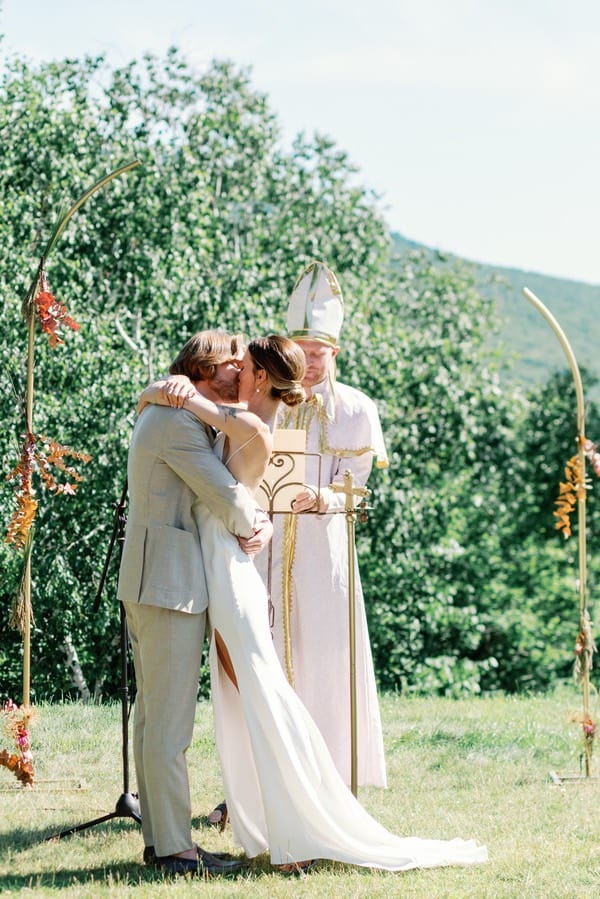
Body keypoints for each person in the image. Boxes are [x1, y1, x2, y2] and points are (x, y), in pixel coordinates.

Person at [140, 333, 487, 873]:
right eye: (230, 363)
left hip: (229, 576)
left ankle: (294, 832)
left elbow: (231, 492)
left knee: (264, 695)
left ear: (257, 378)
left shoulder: (249, 424)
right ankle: (266, 824)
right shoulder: (233, 414)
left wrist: (172, 396)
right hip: (214, 570)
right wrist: (160, 394)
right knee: (248, 700)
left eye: (244, 365)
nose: (234, 370)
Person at [117, 329, 273, 877]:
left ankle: (163, 842)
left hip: (158, 581)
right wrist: (259, 525)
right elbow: (223, 492)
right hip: (168, 585)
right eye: (235, 364)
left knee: (154, 718)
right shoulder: (178, 421)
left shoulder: (179, 410)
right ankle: (179, 850)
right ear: (207, 368)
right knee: (169, 724)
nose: (244, 374)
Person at [254, 260, 388, 791]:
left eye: (318, 354)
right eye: (301, 353)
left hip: (321, 557)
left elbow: (357, 488)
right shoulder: (267, 405)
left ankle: (331, 779)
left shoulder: (356, 409)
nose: (309, 364)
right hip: (264, 552)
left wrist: (323, 497)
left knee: (325, 662)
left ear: (335, 352)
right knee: (263, 660)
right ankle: (263, 783)